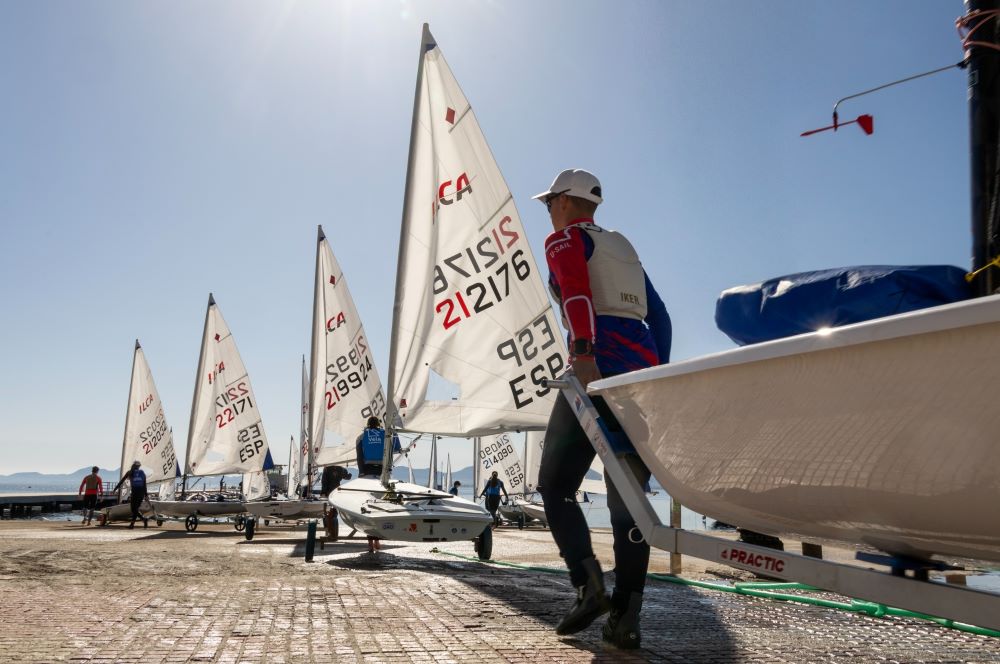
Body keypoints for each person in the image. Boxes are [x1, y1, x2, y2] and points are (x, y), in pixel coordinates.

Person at [532, 169, 671, 649]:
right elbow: (661, 315)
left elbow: (575, 293)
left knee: (555, 488)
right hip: (639, 377)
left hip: (597, 371)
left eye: (549, 201)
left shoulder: (563, 241)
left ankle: (587, 587)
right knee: (628, 505)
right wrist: (659, 375)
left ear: (566, 202)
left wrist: (586, 354)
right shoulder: (624, 248)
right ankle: (627, 619)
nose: (548, 210)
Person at [355, 416, 400, 553]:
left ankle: (370, 543)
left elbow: (359, 457)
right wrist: (395, 432)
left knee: (367, 505)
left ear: (368, 425)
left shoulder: (361, 437)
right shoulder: (386, 435)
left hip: (367, 471)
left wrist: (361, 473)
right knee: (379, 505)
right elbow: (397, 448)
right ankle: (377, 540)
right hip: (383, 472)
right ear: (379, 425)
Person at [113, 461, 150, 529]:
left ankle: (141, 520)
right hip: (141, 493)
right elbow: (144, 485)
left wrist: (115, 489)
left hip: (135, 493)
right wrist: (146, 495)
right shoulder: (142, 473)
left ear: (133, 465)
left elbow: (122, 481)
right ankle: (137, 522)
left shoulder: (130, 472)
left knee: (134, 509)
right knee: (135, 509)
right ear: (139, 466)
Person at [320, 465, 351, 540]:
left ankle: (331, 534)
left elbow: (324, 482)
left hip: (329, 492)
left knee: (329, 514)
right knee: (333, 513)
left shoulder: (327, 469)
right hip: (336, 492)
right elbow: (347, 477)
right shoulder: (340, 468)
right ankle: (332, 534)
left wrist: (323, 492)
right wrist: (349, 474)